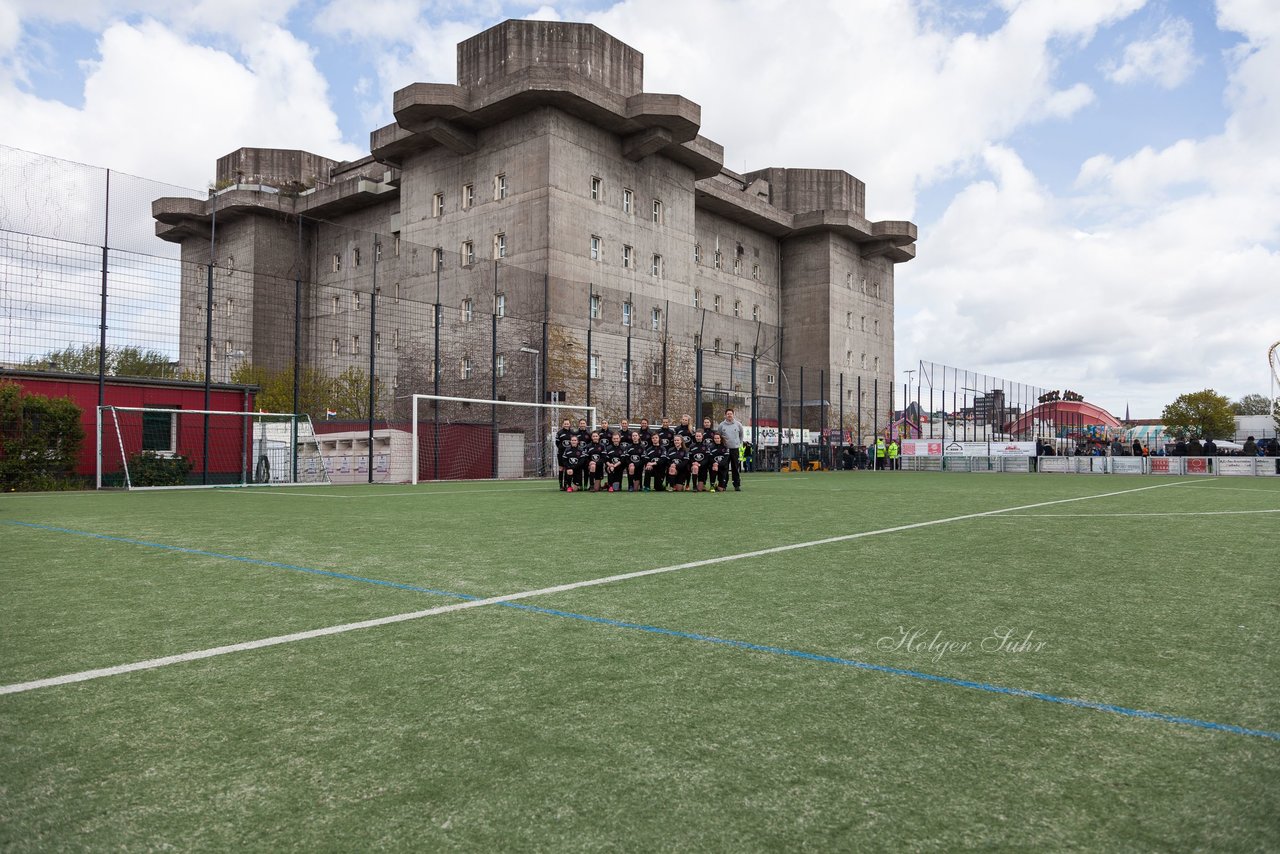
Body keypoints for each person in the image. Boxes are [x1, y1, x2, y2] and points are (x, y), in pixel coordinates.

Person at [716, 407, 745, 490]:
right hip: (725, 450)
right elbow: (719, 436)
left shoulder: (738, 424)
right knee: (724, 467)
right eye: (728, 414)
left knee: (735, 467)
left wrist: (739, 443)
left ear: (733, 415)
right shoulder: (721, 425)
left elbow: (741, 435)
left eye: (731, 414)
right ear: (725, 415)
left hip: (735, 449)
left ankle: (736, 485)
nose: (729, 415)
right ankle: (723, 485)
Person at [555, 418, 576, 490]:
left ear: (570, 424)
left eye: (567, 423)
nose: (566, 425)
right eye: (565, 424)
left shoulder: (572, 433)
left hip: (570, 454)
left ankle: (566, 484)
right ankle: (561, 485)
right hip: (561, 453)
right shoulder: (559, 433)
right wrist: (562, 449)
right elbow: (557, 443)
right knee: (561, 468)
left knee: (568, 467)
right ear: (563, 424)